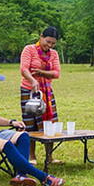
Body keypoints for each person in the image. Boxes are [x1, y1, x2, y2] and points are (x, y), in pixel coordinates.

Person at [20, 26, 61, 163]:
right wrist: (32, 80)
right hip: (28, 90)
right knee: (30, 123)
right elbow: (24, 69)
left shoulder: (53, 54)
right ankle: (31, 156)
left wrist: (41, 73)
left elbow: (56, 73)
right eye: (48, 41)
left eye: (53, 43)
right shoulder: (29, 49)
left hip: (46, 93)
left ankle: (49, 156)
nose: (49, 45)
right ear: (41, 37)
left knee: (49, 123)